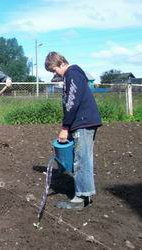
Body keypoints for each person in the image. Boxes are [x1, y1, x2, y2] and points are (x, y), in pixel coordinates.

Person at [44, 51, 102, 210]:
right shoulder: (72, 75)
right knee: (83, 158)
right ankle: (85, 194)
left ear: (61, 63)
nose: (56, 74)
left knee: (81, 160)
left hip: (83, 122)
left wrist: (65, 127)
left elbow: (72, 103)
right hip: (84, 122)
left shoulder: (72, 74)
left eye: (55, 70)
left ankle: (80, 198)